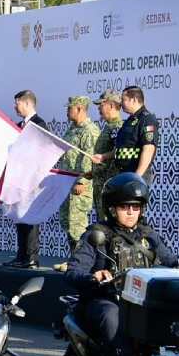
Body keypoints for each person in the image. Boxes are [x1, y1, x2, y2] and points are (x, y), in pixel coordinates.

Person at [64, 173, 177, 356]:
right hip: (104, 299)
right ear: (112, 209)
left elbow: (171, 261)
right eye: (124, 207)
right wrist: (94, 276)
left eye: (136, 207)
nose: (131, 212)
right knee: (112, 317)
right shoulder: (97, 234)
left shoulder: (148, 235)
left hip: (140, 301)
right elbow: (74, 271)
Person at [8, 90, 47, 268]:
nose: (15, 106)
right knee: (19, 217)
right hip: (18, 180)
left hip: (32, 180)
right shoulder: (18, 125)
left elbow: (42, 153)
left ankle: (31, 257)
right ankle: (21, 256)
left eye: (17, 103)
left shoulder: (39, 124)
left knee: (30, 218)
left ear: (27, 103)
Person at [57, 96, 101, 252]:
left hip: (80, 184)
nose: (67, 111)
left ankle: (81, 262)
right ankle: (72, 259)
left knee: (78, 225)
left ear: (80, 109)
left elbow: (89, 158)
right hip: (67, 182)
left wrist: (81, 181)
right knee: (67, 222)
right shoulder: (73, 128)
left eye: (70, 108)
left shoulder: (90, 130)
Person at [95, 85, 159, 184]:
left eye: (124, 99)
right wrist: (103, 157)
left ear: (133, 100)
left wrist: (137, 176)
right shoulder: (129, 121)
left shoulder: (147, 119)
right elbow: (121, 149)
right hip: (123, 175)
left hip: (135, 177)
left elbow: (148, 150)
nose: (121, 103)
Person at [91, 90, 124, 216]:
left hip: (109, 186)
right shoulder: (108, 126)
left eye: (102, 105)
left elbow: (118, 152)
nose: (99, 108)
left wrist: (103, 158)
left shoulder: (117, 127)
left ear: (111, 105)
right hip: (100, 185)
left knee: (109, 224)